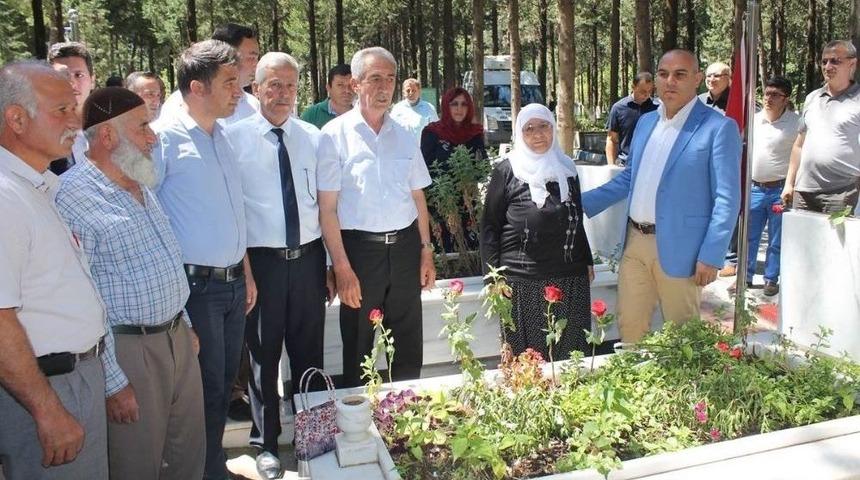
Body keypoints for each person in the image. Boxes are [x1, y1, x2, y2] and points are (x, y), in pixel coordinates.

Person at [54, 87, 205, 480]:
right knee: (137, 463)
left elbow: (165, 260)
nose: (153, 138)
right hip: (129, 351)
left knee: (187, 455)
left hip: (175, 338)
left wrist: (184, 325)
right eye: (142, 127)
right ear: (107, 135)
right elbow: (83, 298)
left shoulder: (140, 182)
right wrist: (114, 383)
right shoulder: (72, 198)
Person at [582, 49, 741, 342]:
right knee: (629, 326)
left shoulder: (718, 128)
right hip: (635, 243)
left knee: (682, 337)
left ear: (697, 79)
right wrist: (578, 202)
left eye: (680, 74)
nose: (670, 81)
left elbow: (727, 198)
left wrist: (711, 255)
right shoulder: (646, 123)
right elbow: (629, 178)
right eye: (664, 74)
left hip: (683, 249)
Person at [152, 40, 257, 480]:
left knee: (222, 384)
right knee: (204, 388)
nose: (239, 91)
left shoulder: (222, 136)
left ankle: (213, 467)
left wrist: (246, 273)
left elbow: (233, 213)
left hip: (231, 285)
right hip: (195, 289)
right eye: (229, 82)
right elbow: (144, 215)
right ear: (197, 87)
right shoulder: (162, 139)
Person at [227, 52, 334, 479]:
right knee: (263, 358)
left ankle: (315, 440)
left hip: (308, 261)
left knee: (310, 355)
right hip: (262, 265)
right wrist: (246, 271)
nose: (283, 93)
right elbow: (233, 214)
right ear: (256, 88)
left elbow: (324, 209)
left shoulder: (313, 137)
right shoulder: (232, 139)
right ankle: (267, 444)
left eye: (290, 85)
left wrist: (330, 264)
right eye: (274, 84)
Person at [0, 60, 108, 479]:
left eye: (73, 108)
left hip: (72, 379)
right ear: (16, 119)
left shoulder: (37, 185)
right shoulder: (6, 198)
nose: (75, 122)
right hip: (44, 389)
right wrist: (47, 410)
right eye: (61, 110)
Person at [318, 47, 436, 387]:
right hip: (359, 253)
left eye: (390, 78)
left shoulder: (404, 135)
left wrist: (426, 250)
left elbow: (417, 197)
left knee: (408, 345)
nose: (385, 87)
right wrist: (341, 267)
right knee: (359, 347)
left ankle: (409, 411)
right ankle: (360, 417)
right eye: (375, 79)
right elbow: (327, 209)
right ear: (355, 85)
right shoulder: (334, 136)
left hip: (404, 250)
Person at [480, 103, 594, 358]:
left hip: (569, 277)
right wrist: (493, 278)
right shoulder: (507, 170)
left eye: (544, 126)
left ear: (553, 128)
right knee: (528, 362)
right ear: (520, 134)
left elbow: (576, 217)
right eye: (529, 128)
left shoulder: (567, 168)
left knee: (570, 357)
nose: (538, 134)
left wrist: (586, 259)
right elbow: (489, 227)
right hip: (522, 282)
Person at [782, 40, 860, 215]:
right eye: (824, 61)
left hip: (842, 193)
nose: (828, 66)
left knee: (835, 235)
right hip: (803, 191)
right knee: (801, 235)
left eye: (835, 61)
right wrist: (789, 184)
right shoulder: (812, 98)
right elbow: (799, 145)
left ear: (852, 64)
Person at [745, 76, 799, 297]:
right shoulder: (754, 120)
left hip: (779, 190)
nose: (769, 98)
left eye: (775, 95)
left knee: (776, 238)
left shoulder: (796, 123)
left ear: (786, 99)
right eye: (767, 93)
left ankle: (770, 279)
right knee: (749, 236)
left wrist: (791, 185)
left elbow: (800, 154)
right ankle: (745, 277)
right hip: (754, 188)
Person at [420, 86, 486, 252]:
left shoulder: (474, 134)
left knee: (469, 249)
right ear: (446, 106)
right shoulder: (432, 132)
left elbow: (482, 168)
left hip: (467, 202)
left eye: (464, 104)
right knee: (442, 250)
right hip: (440, 201)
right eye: (454, 104)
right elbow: (422, 169)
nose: (459, 109)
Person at [157, 23, 261, 126]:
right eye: (251, 58)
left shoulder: (253, 105)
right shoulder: (179, 106)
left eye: (257, 58)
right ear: (226, 53)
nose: (257, 64)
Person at [47, 41, 95, 175]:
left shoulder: (111, 129)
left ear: (92, 80)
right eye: (62, 76)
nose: (71, 82)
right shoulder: (38, 136)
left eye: (78, 75)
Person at [605, 72, 658, 166]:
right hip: (625, 163)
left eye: (649, 91)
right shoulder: (618, 108)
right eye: (642, 91)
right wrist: (611, 167)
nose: (646, 95)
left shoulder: (657, 109)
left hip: (650, 164)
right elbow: (612, 139)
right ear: (633, 87)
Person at [300, 64, 353, 129]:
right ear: (328, 88)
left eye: (351, 85)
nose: (347, 90)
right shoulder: (311, 115)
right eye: (340, 85)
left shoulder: (362, 115)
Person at [391, 78, 439, 142]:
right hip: (402, 147)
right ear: (403, 92)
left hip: (423, 147)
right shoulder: (397, 109)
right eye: (408, 90)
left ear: (419, 92)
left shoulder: (429, 108)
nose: (411, 93)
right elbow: (391, 129)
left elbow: (436, 130)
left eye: (414, 90)